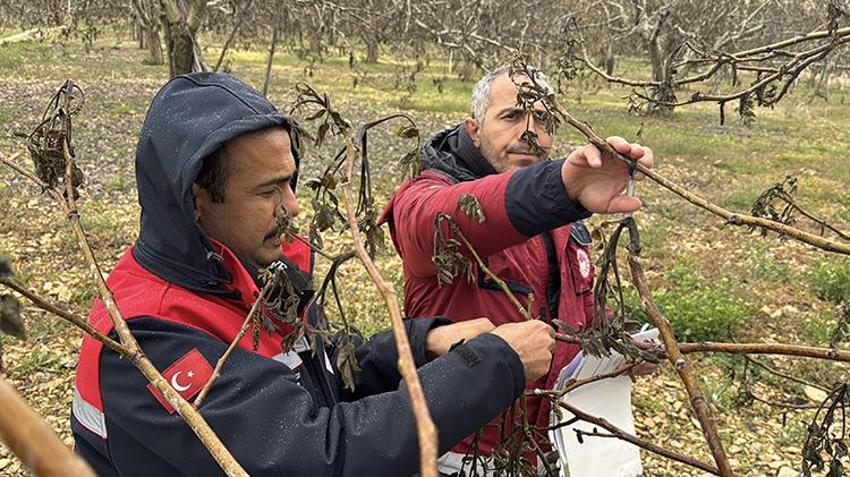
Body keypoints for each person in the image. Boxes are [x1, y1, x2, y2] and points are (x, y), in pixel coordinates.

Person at [70, 72, 558, 476]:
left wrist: (417, 344)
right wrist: (493, 366)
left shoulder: (253, 274)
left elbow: (321, 380)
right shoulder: (146, 335)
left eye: (291, 182)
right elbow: (312, 454)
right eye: (268, 191)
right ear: (196, 200)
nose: (293, 206)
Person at [380, 65, 654, 473]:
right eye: (511, 117)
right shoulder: (425, 199)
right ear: (473, 129)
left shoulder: (564, 214)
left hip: (556, 444)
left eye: (542, 119)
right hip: (462, 454)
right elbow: (437, 223)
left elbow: (569, 305)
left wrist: (619, 342)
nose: (530, 134)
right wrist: (559, 186)